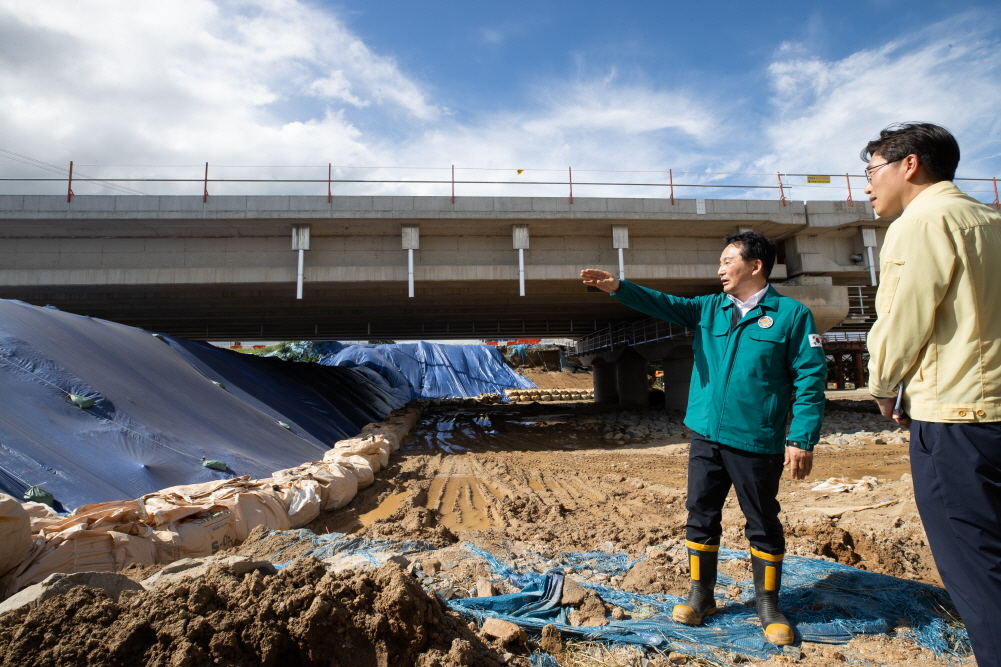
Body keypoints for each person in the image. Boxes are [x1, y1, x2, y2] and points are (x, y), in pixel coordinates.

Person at [581, 231, 827, 646]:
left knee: (763, 523)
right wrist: (619, 288)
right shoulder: (709, 308)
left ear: (755, 266)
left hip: (757, 439)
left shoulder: (791, 316)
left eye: (728, 260)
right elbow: (665, 304)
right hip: (707, 437)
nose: (720, 268)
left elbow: (811, 378)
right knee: (700, 515)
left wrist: (801, 439)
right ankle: (702, 596)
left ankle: (767, 605)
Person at [863, 122, 1001, 667]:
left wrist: (881, 386)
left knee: (977, 571)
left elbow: (901, 321)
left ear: (909, 165)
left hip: (957, 419)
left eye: (872, 171)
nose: (867, 186)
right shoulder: (990, 219)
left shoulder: (921, 222)